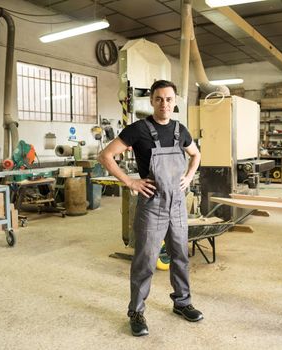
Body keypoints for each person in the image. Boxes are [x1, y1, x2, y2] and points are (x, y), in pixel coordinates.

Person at [98, 80, 203, 337]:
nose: (164, 104)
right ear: (152, 101)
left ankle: (182, 302)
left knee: (180, 257)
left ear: (175, 101)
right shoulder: (138, 130)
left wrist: (189, 177)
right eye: (159, 99)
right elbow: (105, 155)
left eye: (168, 99)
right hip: (152, 205)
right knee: (145, 261)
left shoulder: (181, 130)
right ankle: (136, 312)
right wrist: (130, 181)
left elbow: (196, 155)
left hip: (177, 204)